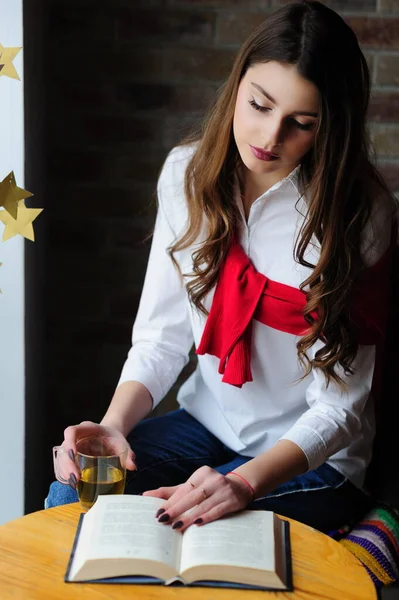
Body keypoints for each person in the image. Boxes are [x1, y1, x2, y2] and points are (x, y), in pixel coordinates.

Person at [46, 0, 398, 534]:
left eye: (300, 124)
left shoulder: (359, 217)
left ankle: (373, 528)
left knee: (205, 529)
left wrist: (243, 483)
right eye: (258, 105)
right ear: (237, 86)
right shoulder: (184, 175)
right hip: (207, 427)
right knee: (75, 492)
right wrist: (112, 429)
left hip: (312, 458)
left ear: (331, 128)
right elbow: (162, 339)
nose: (269, 138)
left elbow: (340, 411)